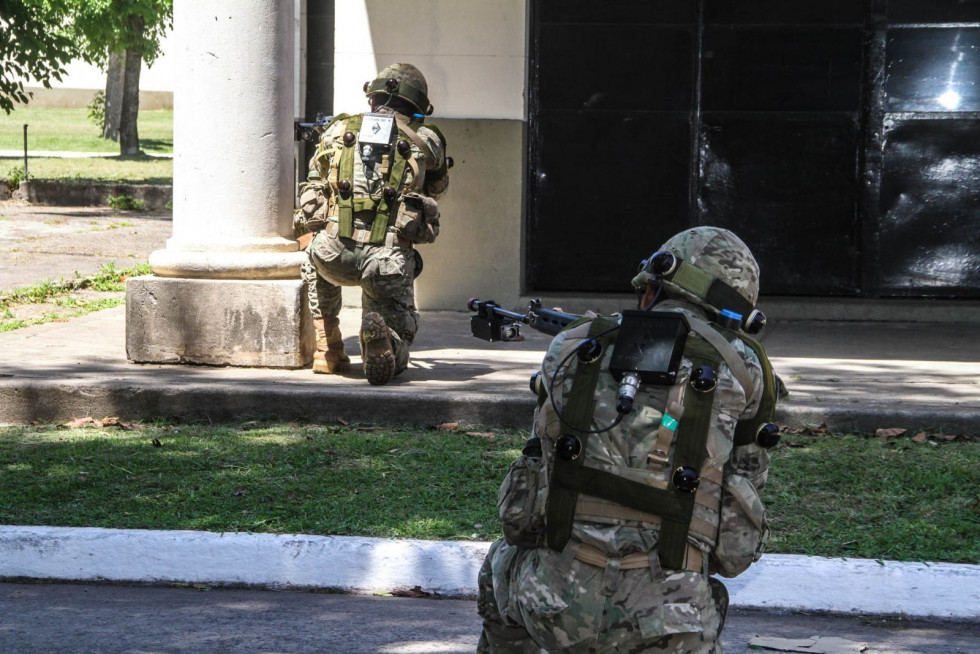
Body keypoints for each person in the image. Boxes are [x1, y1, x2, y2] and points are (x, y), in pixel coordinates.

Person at [477, 226, 780, 653]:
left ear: (652, 288)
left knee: (499, 564)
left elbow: (519, 520)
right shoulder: (747, 371)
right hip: (667, 629)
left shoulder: (571, 347)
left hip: (553, 609)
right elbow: (734, 550)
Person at [295, 63, 450, 385]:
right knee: (393, 318)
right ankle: (385, 343)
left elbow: (315, 178)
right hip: (386, 260)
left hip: (333, 254)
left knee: (313, 253)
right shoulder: (427, 139)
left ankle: (328, 347)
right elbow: (437, 188)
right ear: (419, 105)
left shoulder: (337, 130)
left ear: (372, 99)